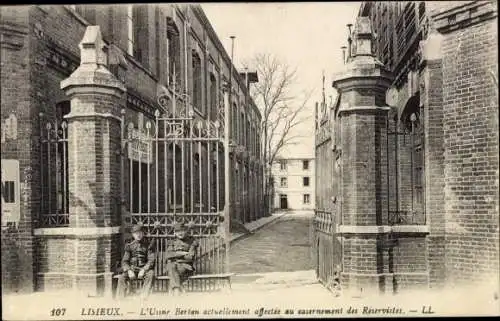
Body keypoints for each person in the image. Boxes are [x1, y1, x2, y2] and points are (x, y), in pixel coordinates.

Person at [116, 224, 155, 300]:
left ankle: (144, 296)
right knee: (121, 277)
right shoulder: (130, 246)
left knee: (151, 274)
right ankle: (120, 299)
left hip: (143, 269)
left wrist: (144, 270)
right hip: (132, 269)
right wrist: (129, 270)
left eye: (140, 233)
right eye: (136, 233)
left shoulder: (148, 245)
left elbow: (151, 260)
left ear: (143, 233)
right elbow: (125, 261)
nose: (138, 235)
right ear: (133, 235)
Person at [165, 222, 199, 295]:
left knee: (172, 267)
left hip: (186, 266)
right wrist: (183, 253)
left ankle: (175, 289)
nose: (180, 233)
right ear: (174, 233)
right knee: (171, 266)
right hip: (174, 265)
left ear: (186, 231)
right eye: (177, 231)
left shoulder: (192, 241)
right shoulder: (172, 242)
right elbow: (168, 255)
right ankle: (177, 288)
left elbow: (190, 257)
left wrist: (175, 256)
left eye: (182, 231)